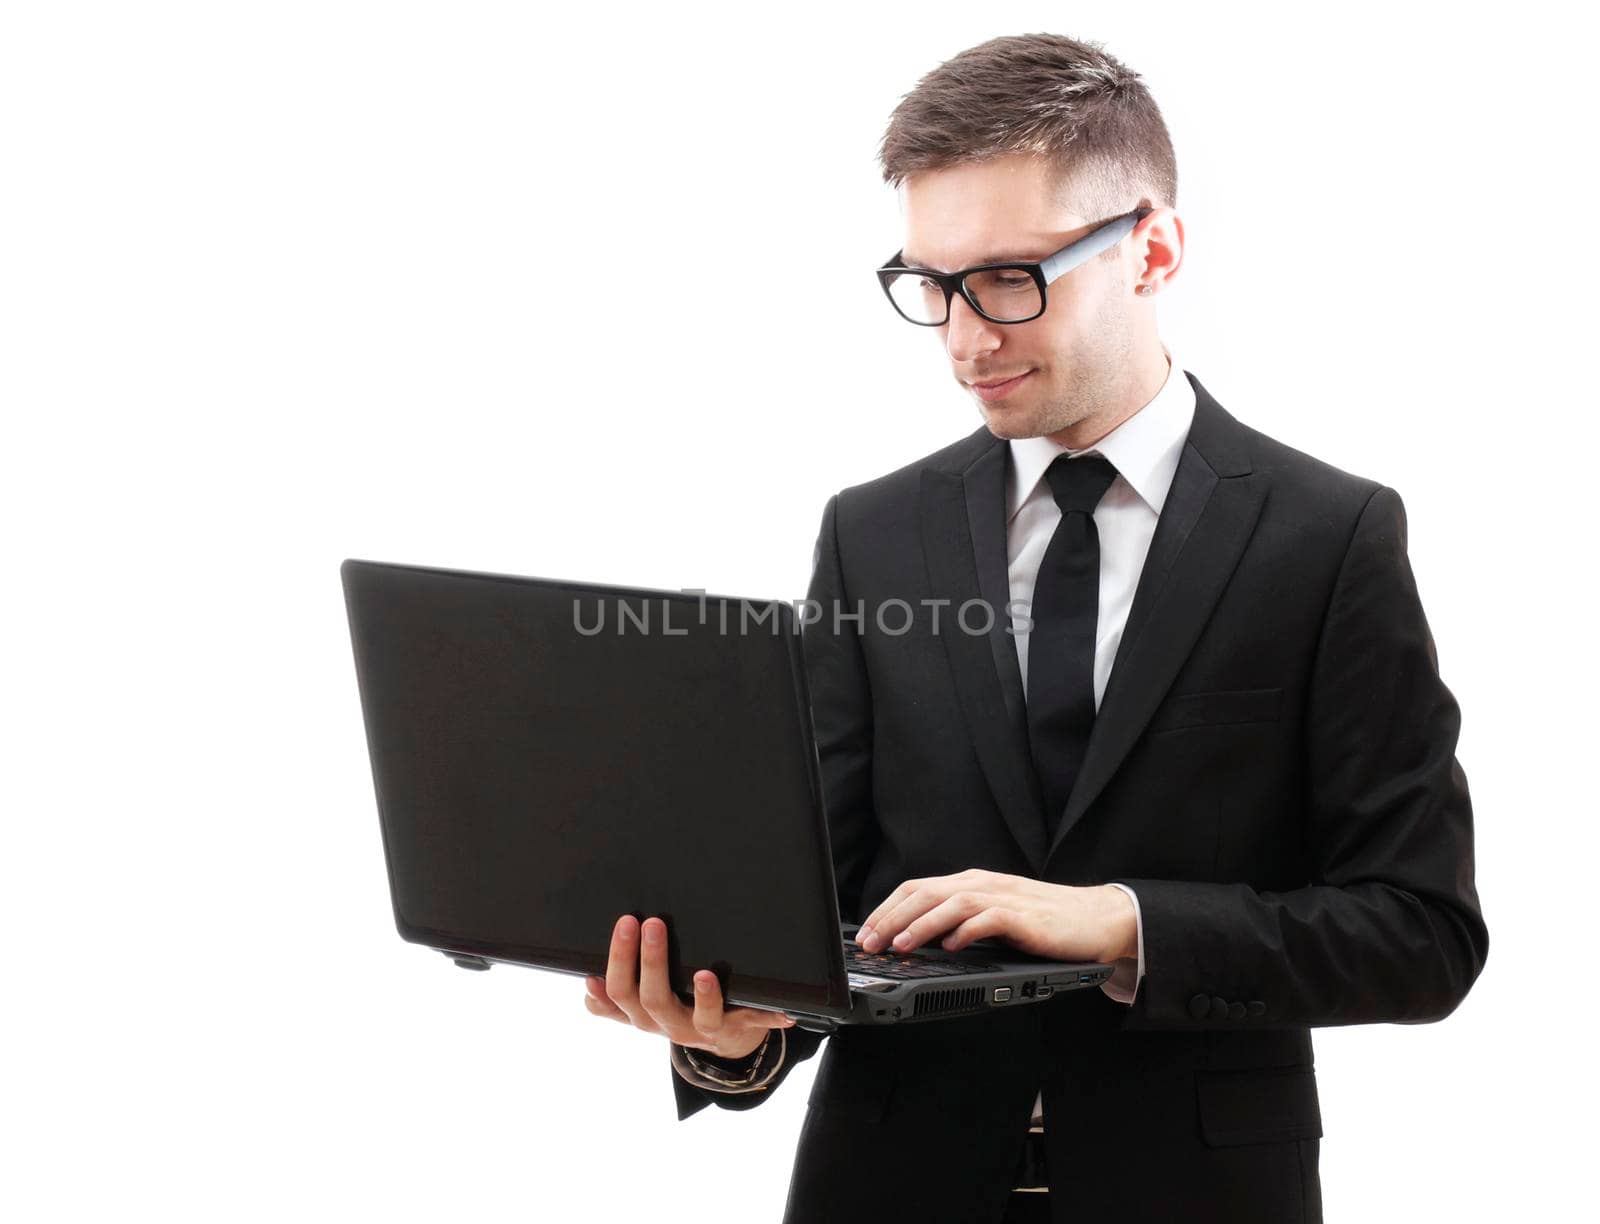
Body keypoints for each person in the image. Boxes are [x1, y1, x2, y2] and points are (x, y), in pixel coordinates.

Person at [580, 32, 1488, 1224]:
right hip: (887, 1185)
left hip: (1200, 1195)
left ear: (1151, 249)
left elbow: (1419, 933)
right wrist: (733, 1032)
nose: (963, 337)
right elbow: (824, 906)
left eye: (1009, 278)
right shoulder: (872, 534)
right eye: (930, 285)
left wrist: (1123, 921)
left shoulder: (1328, 538)